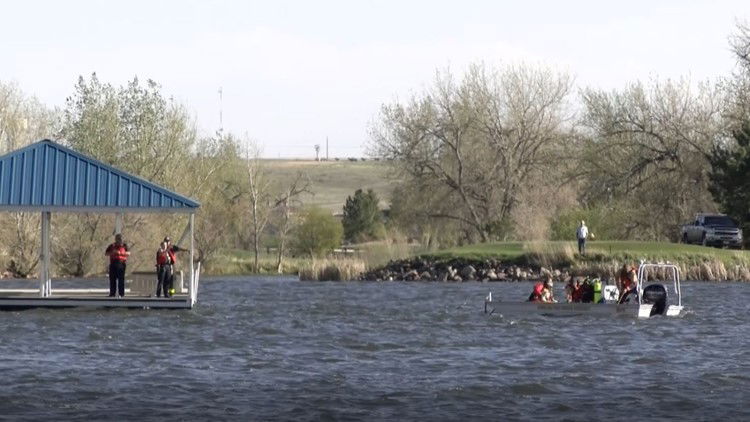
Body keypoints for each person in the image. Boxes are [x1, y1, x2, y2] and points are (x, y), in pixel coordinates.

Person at [105, 233, 130, 297]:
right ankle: (112, 293)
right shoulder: (111, 246)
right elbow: (106, 253)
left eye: (120, 239)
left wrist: (121, 253)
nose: (119, 240)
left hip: (121, 263)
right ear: (115, 239)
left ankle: (121, 294)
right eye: (118, 239)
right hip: (113, 263)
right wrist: (112, 252)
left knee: (121, 279)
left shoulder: (124, 245)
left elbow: (129, 253)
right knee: (112, 279)